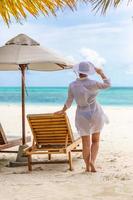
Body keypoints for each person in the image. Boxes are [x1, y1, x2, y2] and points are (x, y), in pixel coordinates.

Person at [55, 61, 111, 172]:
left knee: (86, 143)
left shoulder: (72, 85)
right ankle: (92, 162)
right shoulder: (94, 83)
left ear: (78, 72)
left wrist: (62, 110)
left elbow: (69, 101)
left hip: (82, 115)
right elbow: (107, 85)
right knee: (95, 141)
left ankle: (87, 167)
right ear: (88, 72)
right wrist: (101, 73)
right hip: (96, 113)